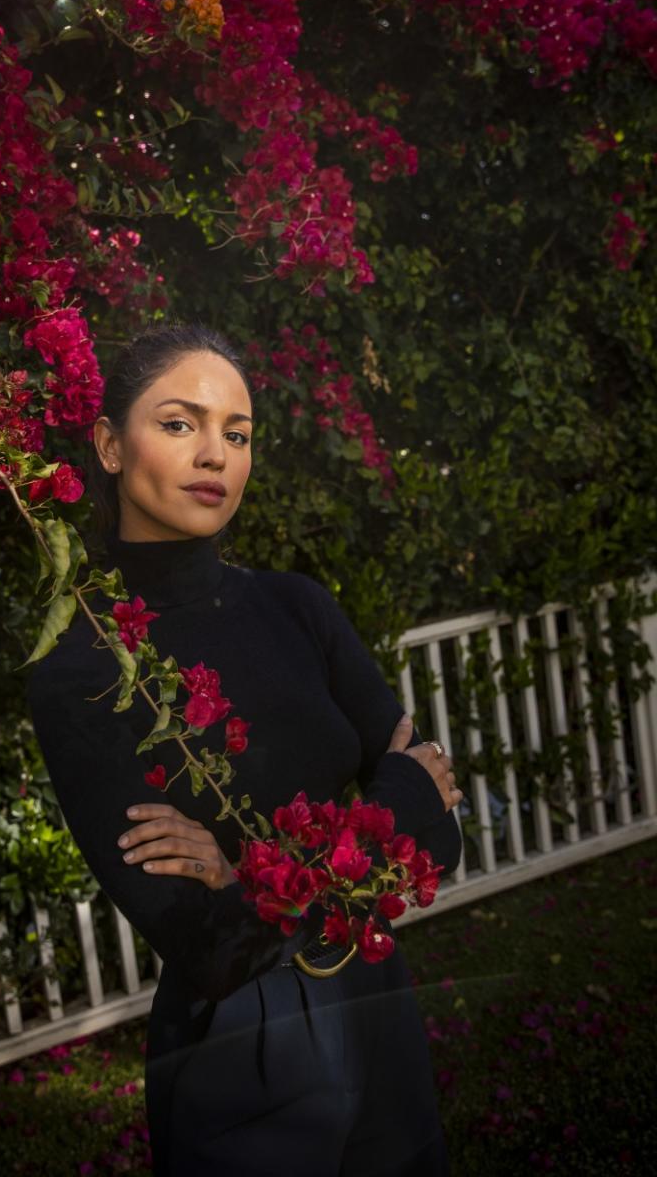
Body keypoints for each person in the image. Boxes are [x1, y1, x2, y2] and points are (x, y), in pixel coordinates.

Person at [26, 323, 464, 1177]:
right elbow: (215, 948)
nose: (215, 454)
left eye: (237, 433)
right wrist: (394, 802)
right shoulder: (84, 670)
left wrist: (245, 871)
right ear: (110, 446)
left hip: (377, 1001)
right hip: (239, 1046)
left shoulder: (299, 609)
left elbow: (439, 836)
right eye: (182, 423)